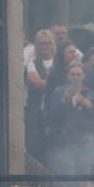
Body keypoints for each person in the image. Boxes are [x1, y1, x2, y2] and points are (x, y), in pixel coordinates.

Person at [44, 63, 94, 174]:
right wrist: (63, 101)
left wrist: (87, 104)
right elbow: (52, 117)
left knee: (85, 172)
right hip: (65, 138)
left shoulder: (89, 93)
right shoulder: (58, 92)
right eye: (73, 74)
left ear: (83, 76)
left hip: (85, 139)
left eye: (78, 74)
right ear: (67, 76)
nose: (75, 77)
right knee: (66, 171)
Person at [25, 29, 55, 161]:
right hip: (36, 111)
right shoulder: (32, 63)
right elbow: (35, 84)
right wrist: (52, 84)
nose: (44, 46)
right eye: (41, 44)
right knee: (33, 145)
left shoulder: (58, 64)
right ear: (36, 46)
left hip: (53, 111)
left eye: (47, 43)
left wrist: (47, 84)